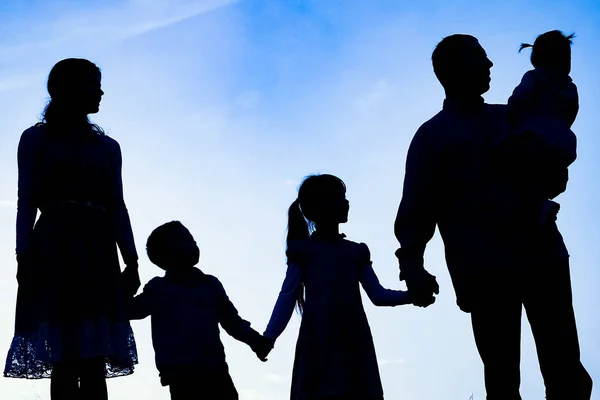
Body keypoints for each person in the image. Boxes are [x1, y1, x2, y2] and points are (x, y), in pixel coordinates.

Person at [394, 34, 592, 399]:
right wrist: (412, 265)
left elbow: (555, 177)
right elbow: (416, 209)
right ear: (451, 70)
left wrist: (545, 164)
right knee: (502, 378)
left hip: (542, 258)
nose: (490, 65)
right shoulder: (433, 137)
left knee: (566, 370)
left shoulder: (515, 118)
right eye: (480, 57)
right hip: (485, 271)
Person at [4, 58, 140, 400]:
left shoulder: (109, 147)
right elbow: (26, 201)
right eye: (93, 83)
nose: (100, 91)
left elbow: (118, 206)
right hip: (54, 247)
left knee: (93, 355)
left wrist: (132, 260)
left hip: (97, 249)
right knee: (63, 352)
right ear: (68, 88)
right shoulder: (36, 139)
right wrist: (23, 256)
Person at [263, 174, 427, 400]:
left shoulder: (354, 252)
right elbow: (288, 296)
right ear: (320, 207)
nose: (346, 203)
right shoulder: (306, 252)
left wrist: (413, 295)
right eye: (340, 198)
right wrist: (269, 337)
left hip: (346, 340)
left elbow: (378, 295)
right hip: (325, 341)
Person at [128, 221, 272, 400]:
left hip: (216, 372)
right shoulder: (158, 290)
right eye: (184, 239)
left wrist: (256, 341)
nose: (193, 243)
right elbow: (131, 310)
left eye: (191, 238)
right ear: (167, 254)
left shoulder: (210, 285)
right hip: (182, 378)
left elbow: (232, 322)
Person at [500, 30, 578, 226]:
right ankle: (542, 204)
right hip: (561, 142)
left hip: (534, 138)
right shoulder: (570, 86)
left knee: (519, 174)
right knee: (545, 180)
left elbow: (520, 98)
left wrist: (512, 113)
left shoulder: (535, 77)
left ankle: (537, 207)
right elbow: (572, 112)